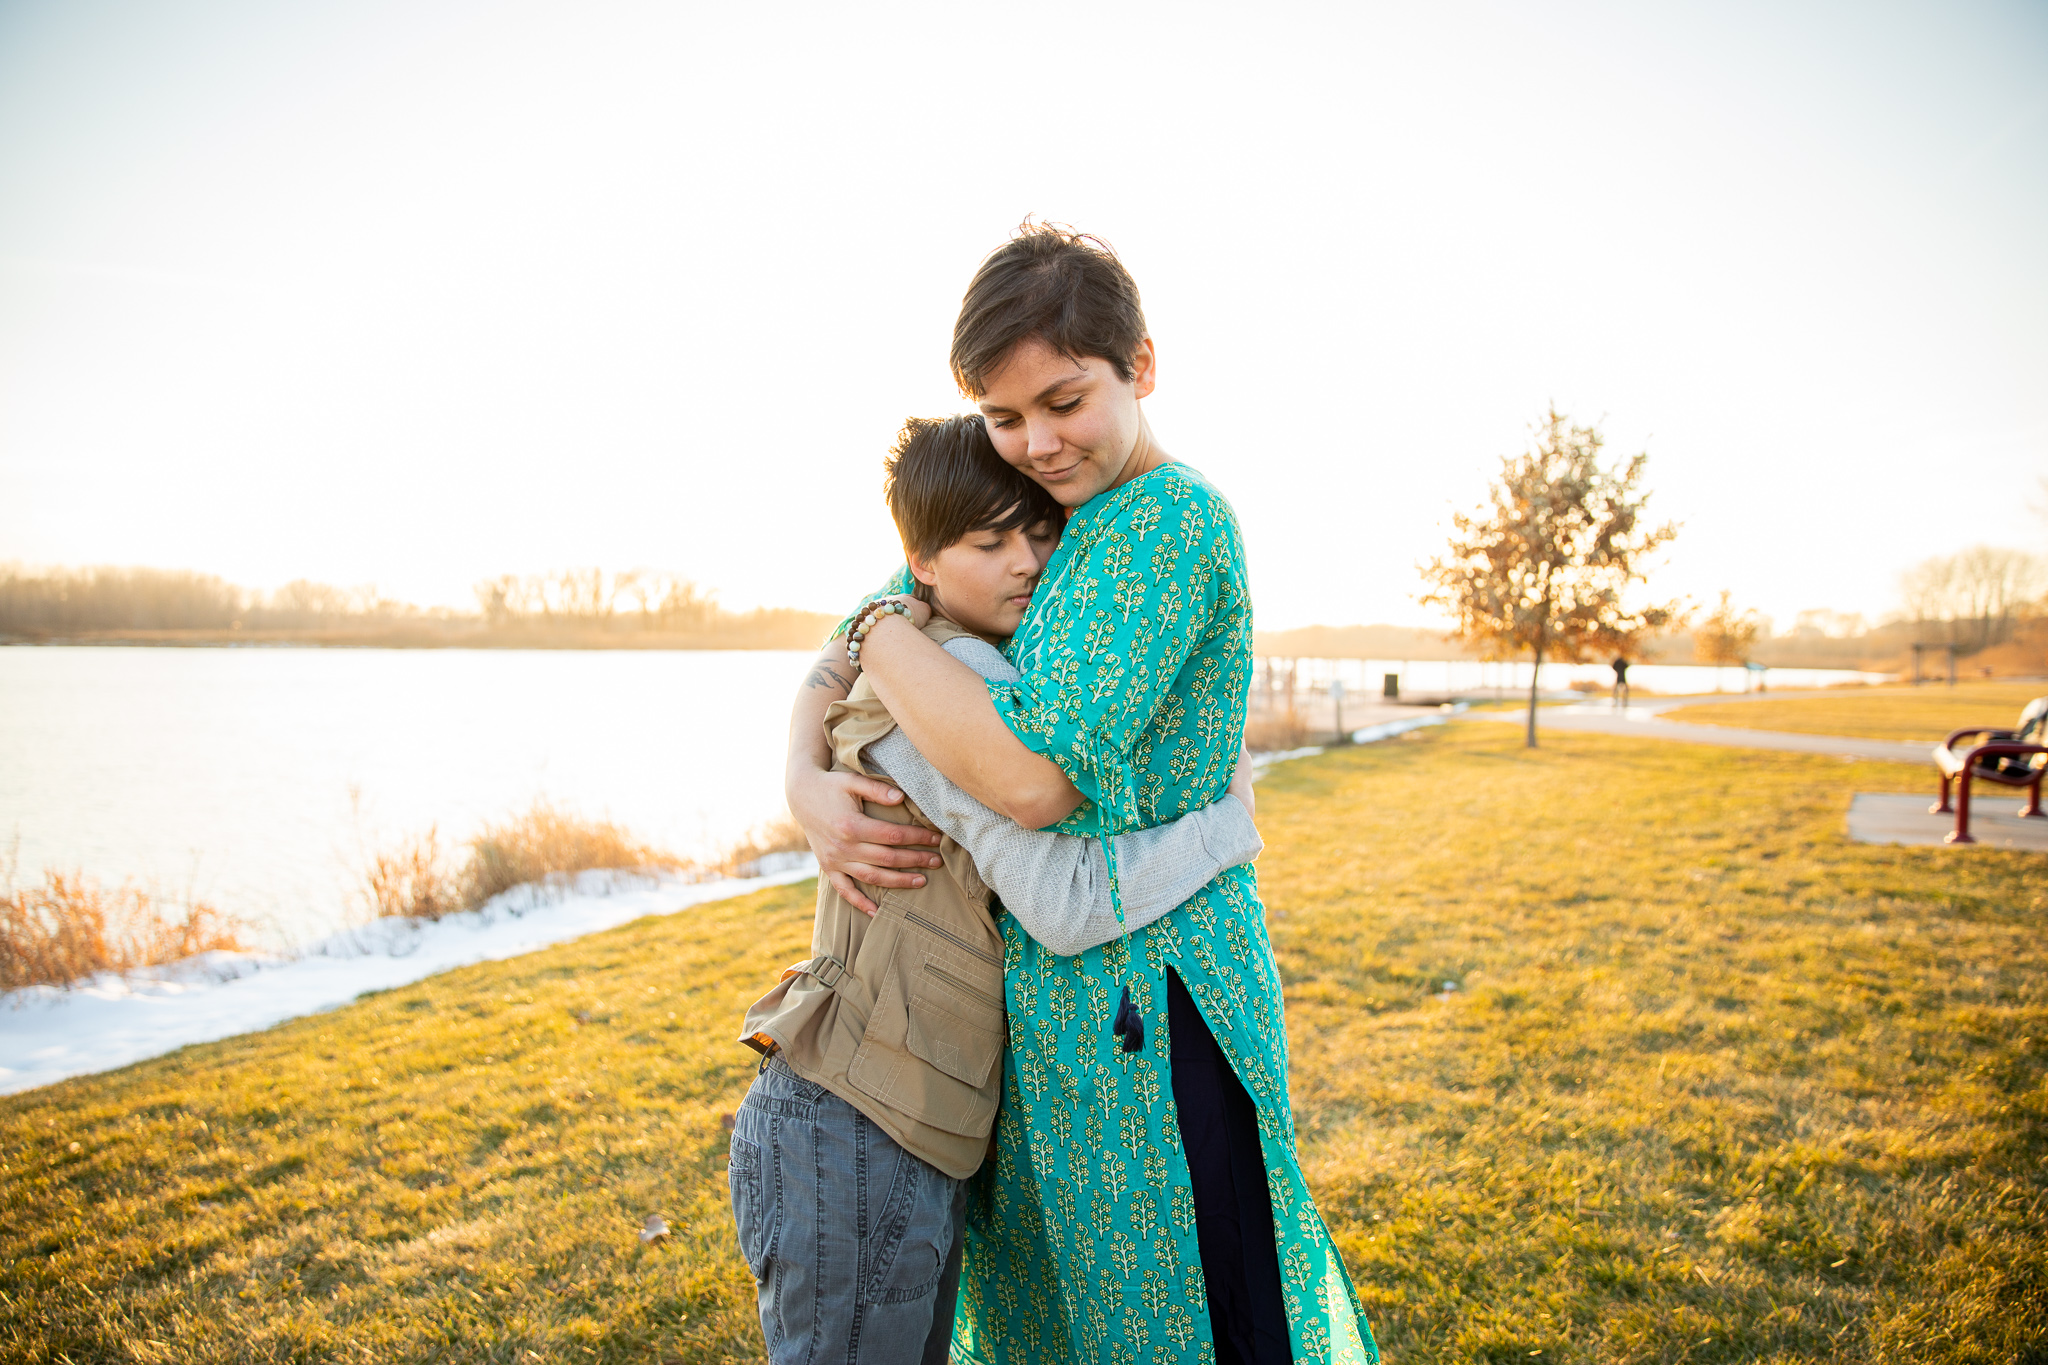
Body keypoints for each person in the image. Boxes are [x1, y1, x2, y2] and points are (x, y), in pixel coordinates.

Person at [789, 225, 1378, 1365]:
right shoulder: (1027, 504)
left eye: (1062, 402)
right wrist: (803, 782)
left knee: (1196, 1317)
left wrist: (878, 638)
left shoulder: (1170, 521)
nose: (1036, 444)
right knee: (1056, 1321)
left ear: (1139, 367)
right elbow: (847, 645)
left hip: (1160, 993)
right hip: (1036, 1011)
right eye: (1005, 417)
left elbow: (1026, 779)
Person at [732, 413, 1264, 1364]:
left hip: (897, 1120)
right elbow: (1062, 904)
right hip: (857, 1121)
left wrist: (798, 767)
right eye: (992, 540)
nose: (1026, 561)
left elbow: (850, 636)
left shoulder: (923, 638)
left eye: (1039, 531)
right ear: (922, 563)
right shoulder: (944, 684)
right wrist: (1221, 830)